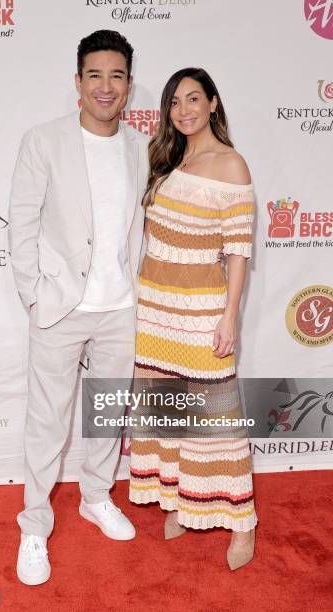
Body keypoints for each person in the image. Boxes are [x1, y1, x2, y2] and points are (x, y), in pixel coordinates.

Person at [9, 30, 148, 586]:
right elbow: (21, 222)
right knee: (47, 422)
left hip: (120, 307)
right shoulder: (44, 141)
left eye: (117, 75)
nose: (106, 86)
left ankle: (95, 497)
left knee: (107, 415)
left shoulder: (141, 147)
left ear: (130, 85)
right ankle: (34, 526)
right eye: (95, 75)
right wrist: (36, 294)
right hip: (61, 307)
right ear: (78, 83)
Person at [129, 67, 258, 570]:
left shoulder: (232, 165)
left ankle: (242, 522)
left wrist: (231, 317)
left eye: (193, 99)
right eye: (174, 102)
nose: (183, 110)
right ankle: (183, 502)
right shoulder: (164, 160)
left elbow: (239, 251)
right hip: (155, 310)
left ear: (213, 103)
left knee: (217, 421)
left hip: (202, 311)